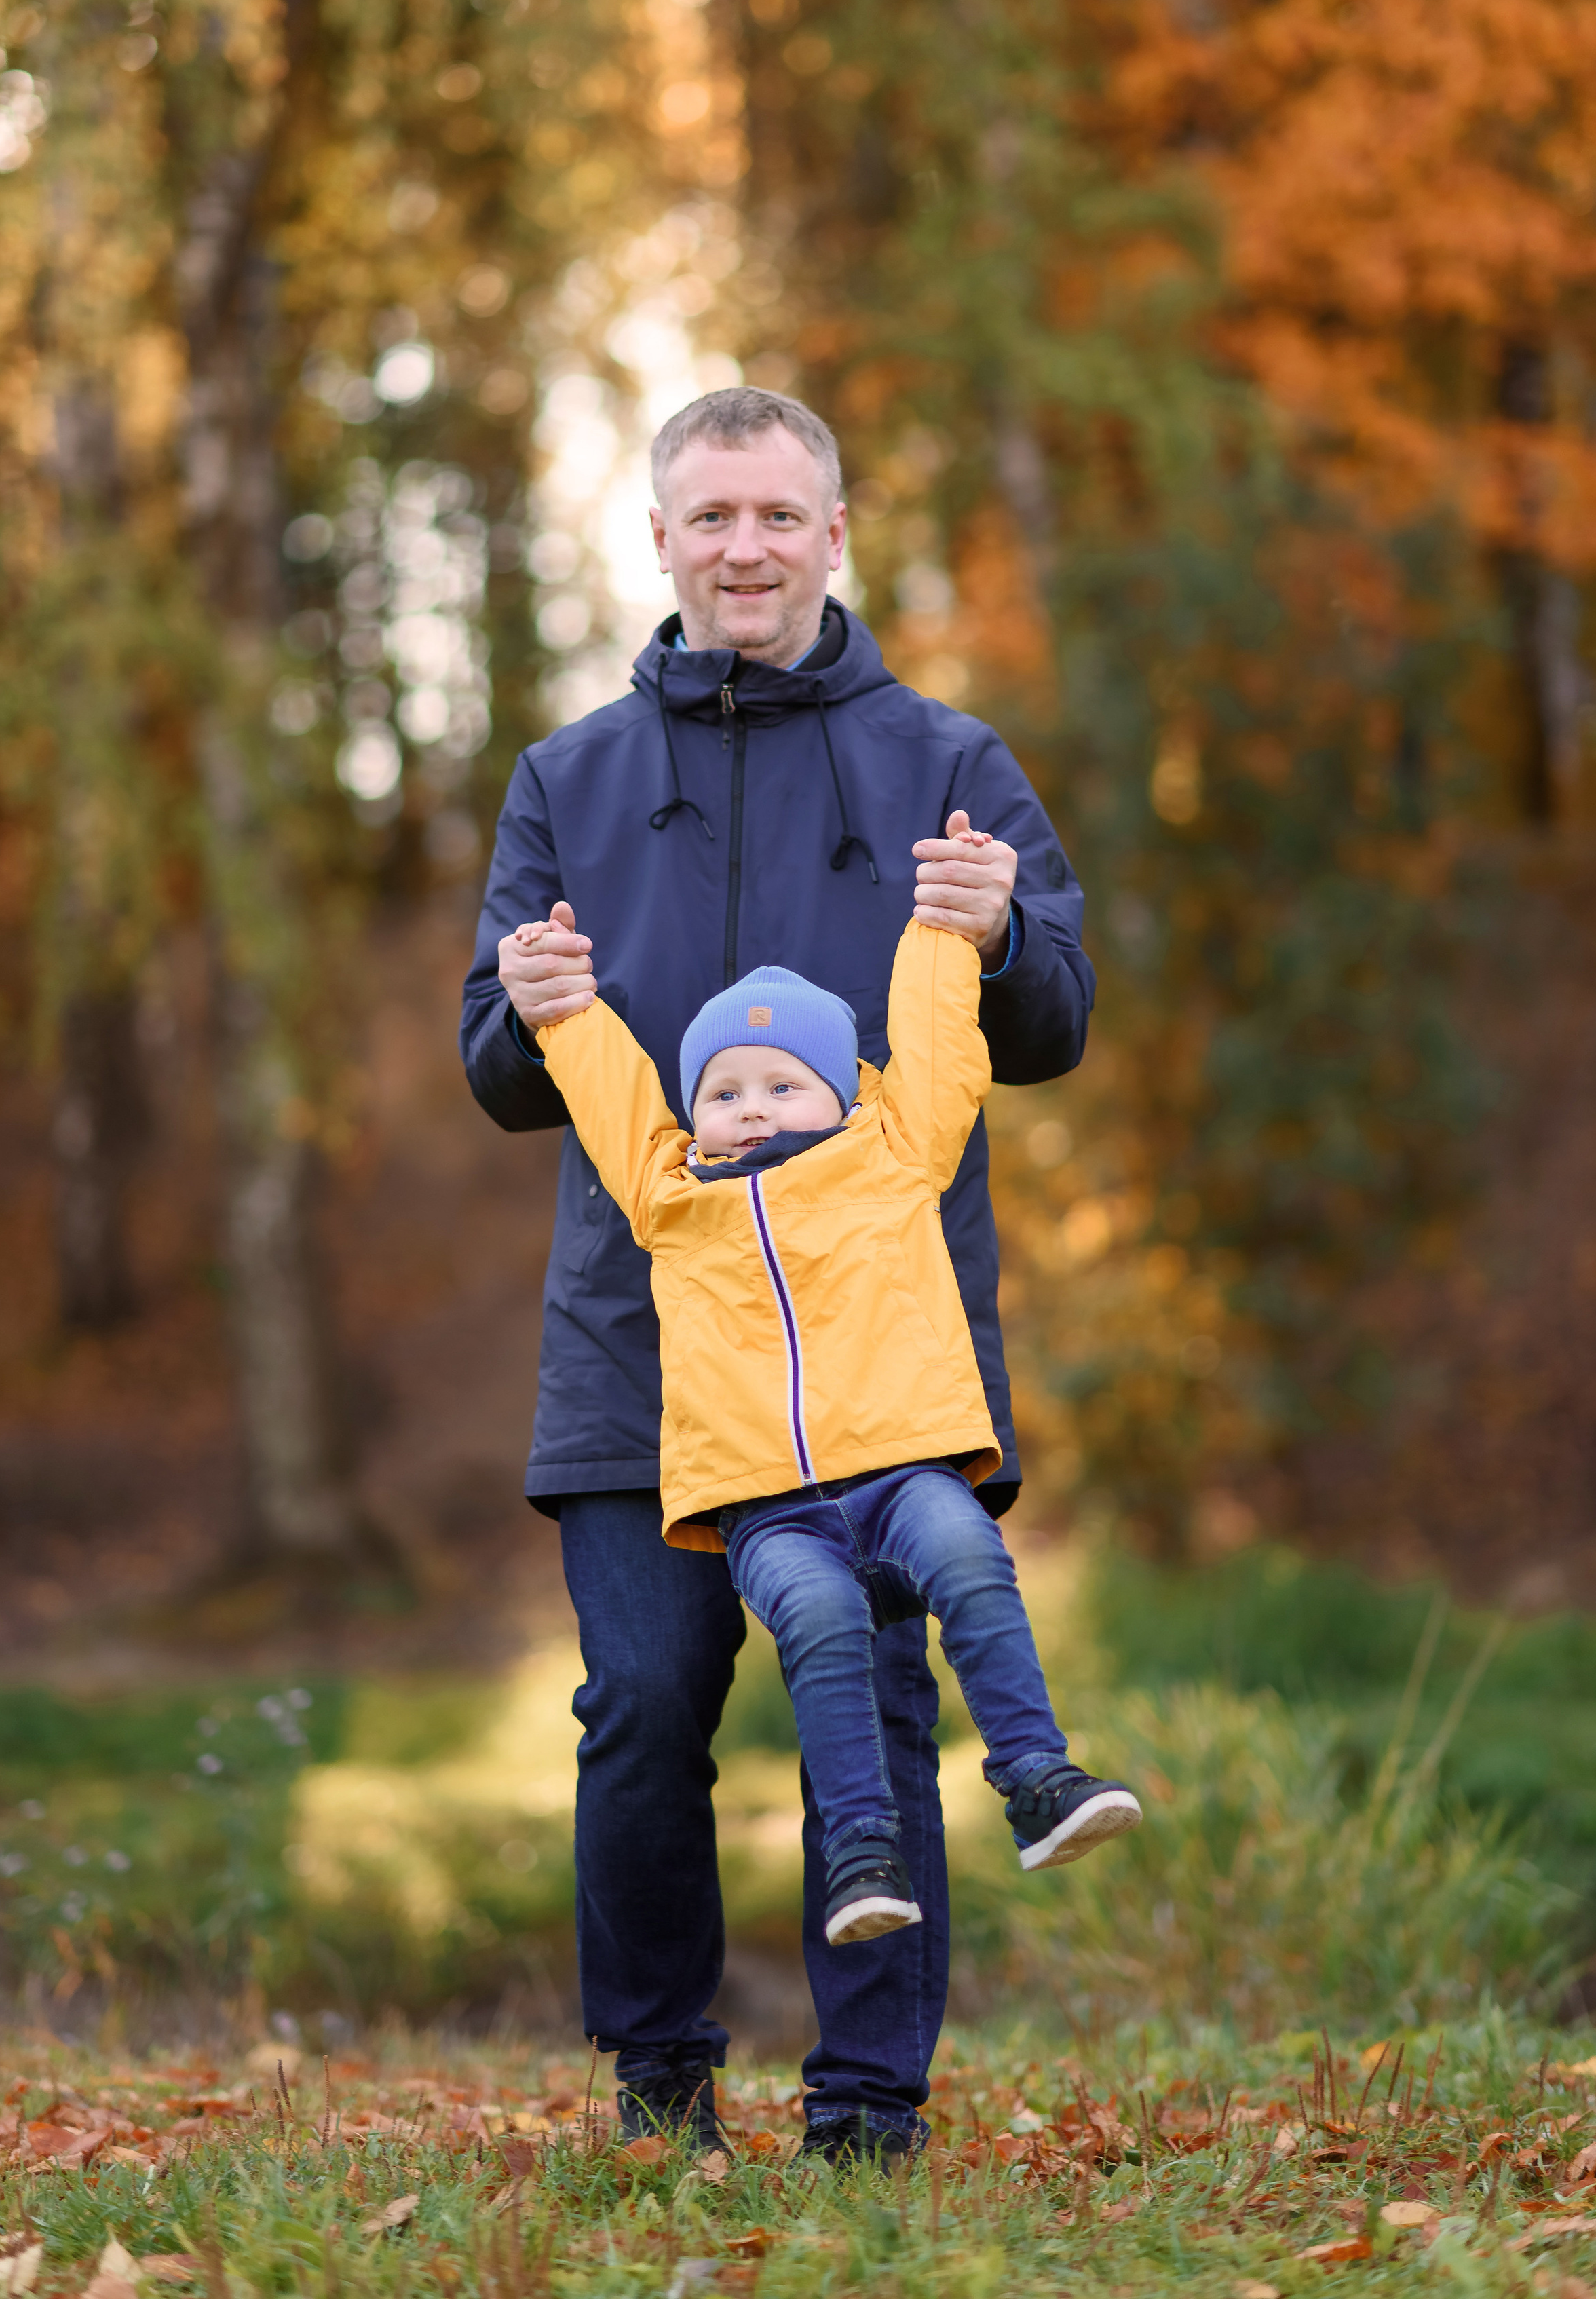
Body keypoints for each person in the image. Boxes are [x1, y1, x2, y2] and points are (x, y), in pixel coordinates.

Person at [460, 385, 1095, 2165]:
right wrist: (529, 994)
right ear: (661, 539)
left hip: (883, 1353)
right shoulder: (564, 780)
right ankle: (663, 2083)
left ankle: (869, 2109)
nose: (746, 546)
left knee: (875, 1716)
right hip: (642, 1347)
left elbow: (1052, 1023)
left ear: (834, 531)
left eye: (778, 515)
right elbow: (494, 1066)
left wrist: (999, 938)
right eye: (711, 516)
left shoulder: (951, 763)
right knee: (645, 1714)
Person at [507, 886, 1140, 1951]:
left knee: (972, 1562)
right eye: (723, 1089)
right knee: (821, 1621)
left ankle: (1035, 1773)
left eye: (783, 1083)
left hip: (904, 1472)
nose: (751, 1105)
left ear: (845, 1093)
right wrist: (562, 1007)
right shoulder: (671, 1197)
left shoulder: (893, 1156)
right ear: (694, 1110)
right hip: (767, 1507)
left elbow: (939, 1046)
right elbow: (615, 1095)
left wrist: (944, 928)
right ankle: (861, 1849)